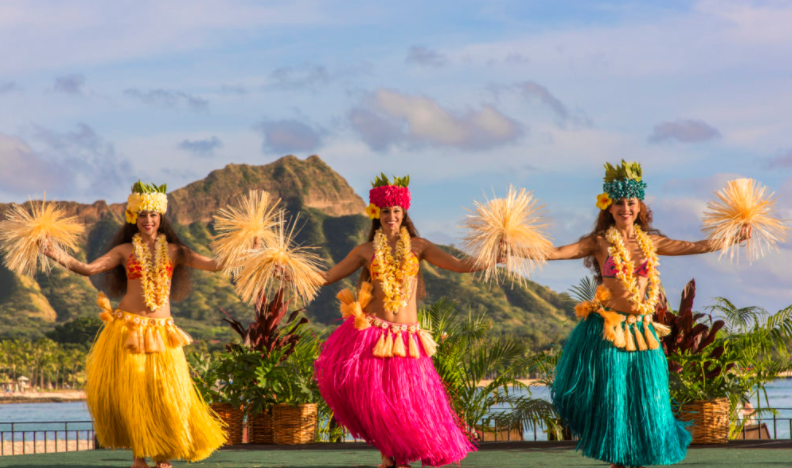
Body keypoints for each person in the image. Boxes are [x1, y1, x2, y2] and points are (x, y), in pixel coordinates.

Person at [546, 161, 750, 468]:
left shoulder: (650, 242)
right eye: (619, 202)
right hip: (611, 331)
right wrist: (514, 247)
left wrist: (733, 237)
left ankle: (638, 457)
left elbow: (695, 246)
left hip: (642, 331)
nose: (625, 208)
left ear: (640, 206)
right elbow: (556, 252)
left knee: (646, 398)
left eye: (631, 202)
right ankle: (617, 459)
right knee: (615, 399)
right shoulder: (600, 242)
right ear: (608, 207)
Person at [45, 182, 226, 468]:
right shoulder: (124, 250)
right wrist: (54, 252)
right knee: (135, 396)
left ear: (161, 217)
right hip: (128, 329)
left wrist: (248, 250)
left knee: (167, 394)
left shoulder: (176, 251)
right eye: (142, 215)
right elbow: (88, 269)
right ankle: (139, 457)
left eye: (153, 214)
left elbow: (216, 265)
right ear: (133, 217)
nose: (148, 220)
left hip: (163, 333)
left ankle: (164, 453)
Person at [315, 174, 491, 468]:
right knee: (377, 401)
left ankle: (407, 455)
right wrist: (289, 271)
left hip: (407, 339)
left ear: (404, 213)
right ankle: (388, 456)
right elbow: (326, 277)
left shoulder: (419, 246)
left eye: (396, 210)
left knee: (409, 401)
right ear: (377, 214)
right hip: (373, 334)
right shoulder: (365, 251)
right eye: (385, 211)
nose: (391, 216)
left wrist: (494, 256)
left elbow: (460, 265)